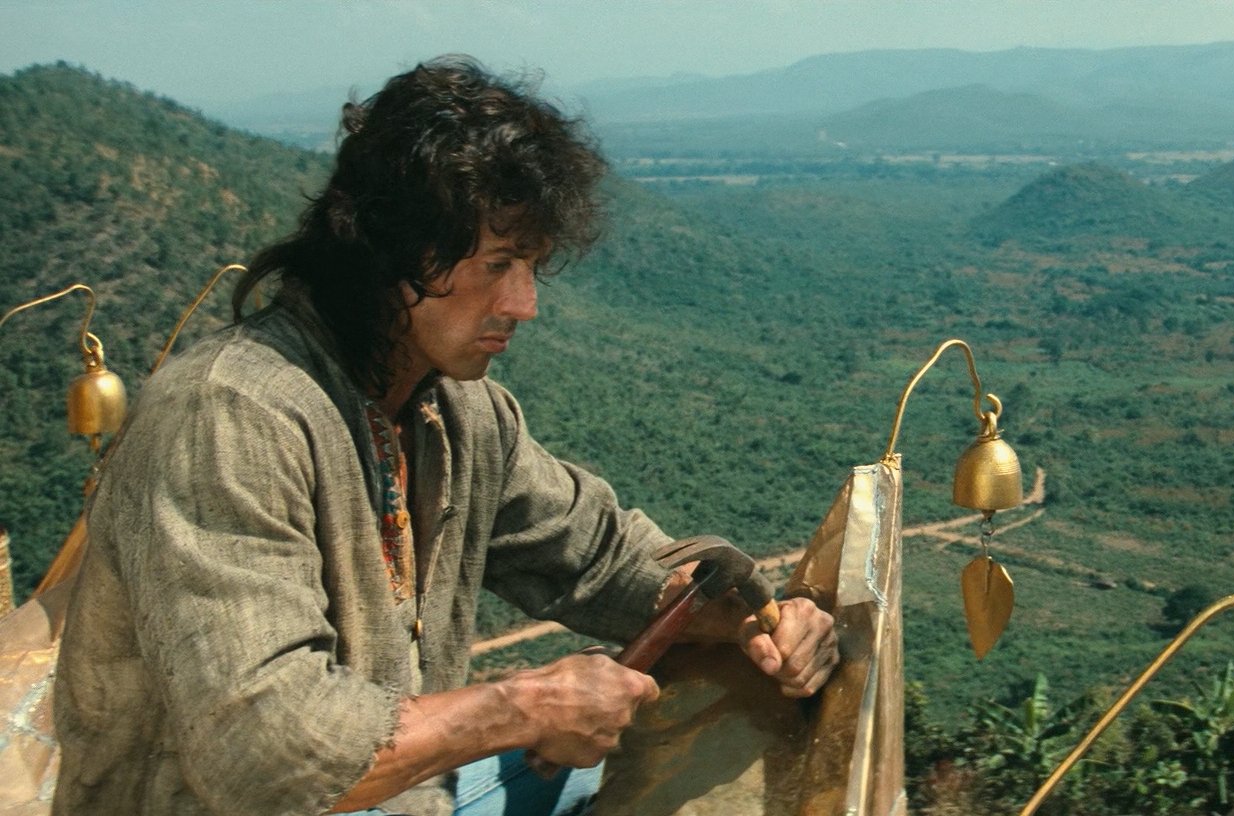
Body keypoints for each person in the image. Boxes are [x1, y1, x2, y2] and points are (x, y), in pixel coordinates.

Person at [51, 55, 838, 816]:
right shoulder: (226, 415)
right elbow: (265, 751)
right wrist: (522, 707)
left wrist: (749, 621)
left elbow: (598, 555)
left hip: (404, 797)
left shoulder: (458, 414)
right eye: (497, 264)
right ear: (394, 251)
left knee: (678, 715)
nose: (524, 304)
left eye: (531, 266)